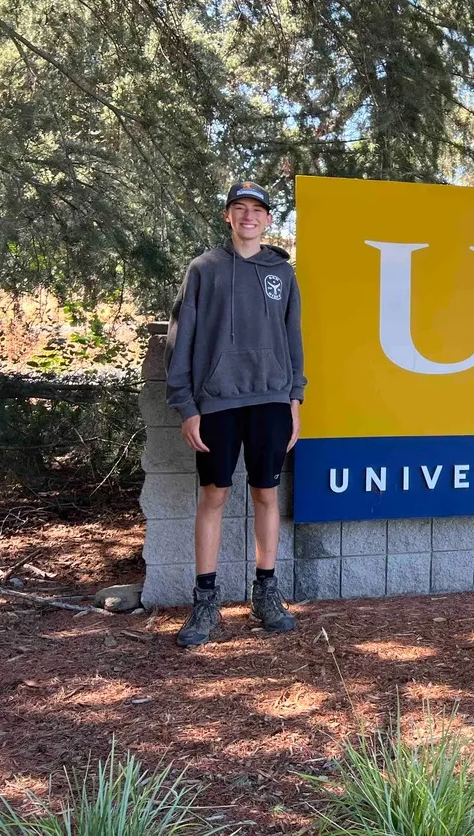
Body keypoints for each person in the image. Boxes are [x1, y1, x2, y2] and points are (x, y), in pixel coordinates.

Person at [164, 180, 305, 647]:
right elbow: (180, 339)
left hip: (270, 401)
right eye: (239, 208)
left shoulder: (282, 274)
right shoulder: (204, 269)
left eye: (257, 210)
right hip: (217, 404)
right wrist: (186, 406)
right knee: (214, 496)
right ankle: (205, 601)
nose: (248, 217)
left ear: (268, 219)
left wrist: (295, 398)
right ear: (228, 216)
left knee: (267, 495)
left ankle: (266, 592)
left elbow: (293, 339)